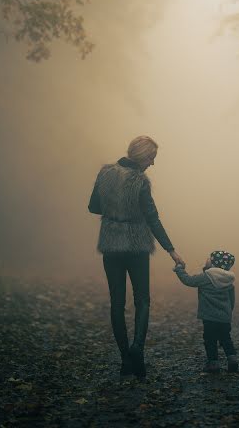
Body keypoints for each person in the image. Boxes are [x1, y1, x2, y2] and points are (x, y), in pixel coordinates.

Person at [88, 135, 184, 378]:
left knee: (117, 303)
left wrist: (114, 208)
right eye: (152, 158)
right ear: (142, 157)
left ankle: (125, 360)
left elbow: (93, 207)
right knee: (142, 300)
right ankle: (137, 350)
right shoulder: (141, 181)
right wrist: (171, 250)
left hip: (111, 244)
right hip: (137, 246)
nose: (152, 163)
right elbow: (152, 218)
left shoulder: (105, 173)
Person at [173, 250, 238, 373]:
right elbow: (231, 300)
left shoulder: (206, 277)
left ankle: (213, 364)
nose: (207, 259)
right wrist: (228, 313)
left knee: (210, 339)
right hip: (225, 318)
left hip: (209, 317)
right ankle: (232, 359)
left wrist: (179, 269)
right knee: (226, 338)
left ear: (214, 263)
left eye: (209, 258)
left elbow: (188, 280)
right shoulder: (229, 280)